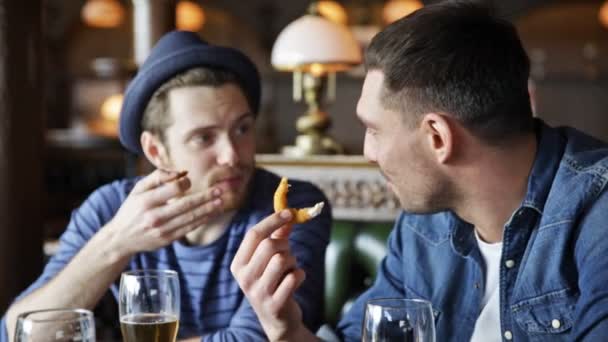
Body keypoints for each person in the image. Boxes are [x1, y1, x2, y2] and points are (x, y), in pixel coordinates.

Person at [230, 2, 608, 341]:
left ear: (437, 137)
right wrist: (285, 329)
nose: (367, 153)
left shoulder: (597, 217)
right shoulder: (424, 228)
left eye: (374, 130)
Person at [1, 31, 331, 341]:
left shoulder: (289, 207)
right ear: (156, 151)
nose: (232, 155)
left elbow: (258, 337)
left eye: (242, 129)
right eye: (204, 138)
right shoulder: (113, 208)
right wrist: (116, 242)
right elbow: (20, 332)